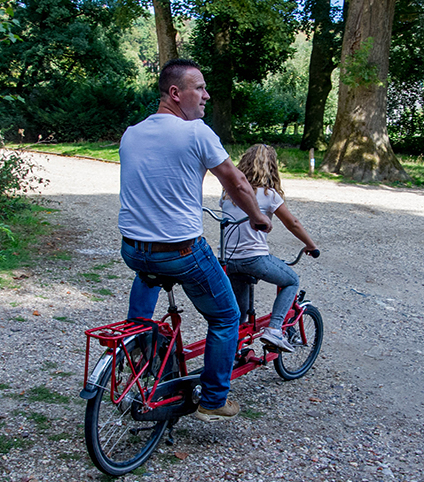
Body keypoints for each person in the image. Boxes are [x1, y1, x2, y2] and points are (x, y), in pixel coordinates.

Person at [118, 59, 272, 422]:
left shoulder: (131, 133)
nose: (206, 95)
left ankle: (137, 347)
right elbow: (236, 183)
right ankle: (214, 399)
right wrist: (257, 216)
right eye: (199, 88)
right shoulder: (197, 132)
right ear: (175, 93)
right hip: (182, 251)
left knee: (148, 271)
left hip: (133, 249)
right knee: (226, 316)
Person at [220, 144, 317, 352]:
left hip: (228, 260)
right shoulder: (269, 194)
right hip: (253, 259)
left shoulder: (228, 193)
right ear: (272, 167)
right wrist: (310, 245)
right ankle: (274, 330)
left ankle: (233, 351)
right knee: (291, 281)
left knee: (240, 311)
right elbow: (293, 223)